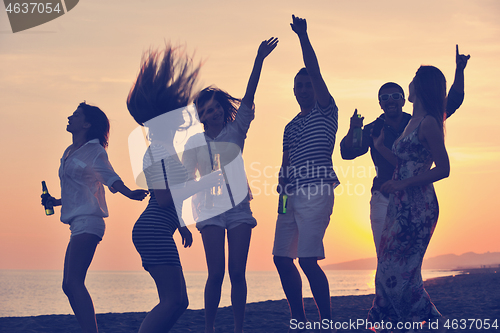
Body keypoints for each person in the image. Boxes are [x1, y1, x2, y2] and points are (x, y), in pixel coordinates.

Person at [182, 37, 278, 333]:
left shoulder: (236, 130)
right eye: (206, 111)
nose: (212, 113)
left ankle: (238, 328)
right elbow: (186, 184)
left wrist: (259, 60)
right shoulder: (194, 142)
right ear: (200, 116)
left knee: (237, 272)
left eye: (215, 108)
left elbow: (249, 97)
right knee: (216, 274)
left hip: (238, 208)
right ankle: (209, 327)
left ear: (223, 108)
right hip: (209, 210)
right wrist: (182, 221)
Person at [126, 46, 222, 333]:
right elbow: (165, 198)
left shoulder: (165, 149)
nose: (183, 118)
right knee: (171, 301)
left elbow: (166, 197)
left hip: (161, 227)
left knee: (180, 301)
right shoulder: (157, 151)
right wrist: (204, 183)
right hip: (152, 229)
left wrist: (181, 226)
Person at [340, 45, 470, 253]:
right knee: (385, 256)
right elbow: (348, 153)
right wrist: (353, 131)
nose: (390, 100)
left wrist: (459, 71)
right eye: (385, 98)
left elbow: (453, 101)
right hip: (383, 197)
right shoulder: (374, 129)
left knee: (406, 257)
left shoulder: (419, 123)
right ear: (380, 104)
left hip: (414, 195)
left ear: (403, 99)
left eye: (395, 96)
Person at [41, 102, 148, 333]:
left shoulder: (95, 150)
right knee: (68, 285)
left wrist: (129, 192)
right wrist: (55, 201)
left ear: (87, 124)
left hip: (89, 222)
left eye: (76, 115)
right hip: (77, 222)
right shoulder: (69, 152)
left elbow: (110, 177)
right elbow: (80, 187)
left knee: (73, 282)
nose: (70, 117)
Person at [367, 66, 451, 332]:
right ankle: (405, 320)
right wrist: (380, 147)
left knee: (404, 269)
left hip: (419, 206)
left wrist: (402, 184)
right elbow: (403, 163)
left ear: (422, 86)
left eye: (414, 79)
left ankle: (420, 320)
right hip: (399, 203)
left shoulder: (428, 122)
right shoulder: (412, 122)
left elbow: (444, 168)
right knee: (387, 265)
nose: (410, 83)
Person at [272, 15, 339, 332]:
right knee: (281, 257)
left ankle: (327, 322)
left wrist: (303, 36)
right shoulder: (290, 126)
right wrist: (281, 193)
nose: (302, 88)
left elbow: (314, 69)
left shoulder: (326, 111)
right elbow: (285, 163)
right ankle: (298, 318)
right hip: (290, 196)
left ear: (316, 87)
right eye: (298, 85)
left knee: (308, 260)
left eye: (307, 84)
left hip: (317, 191)